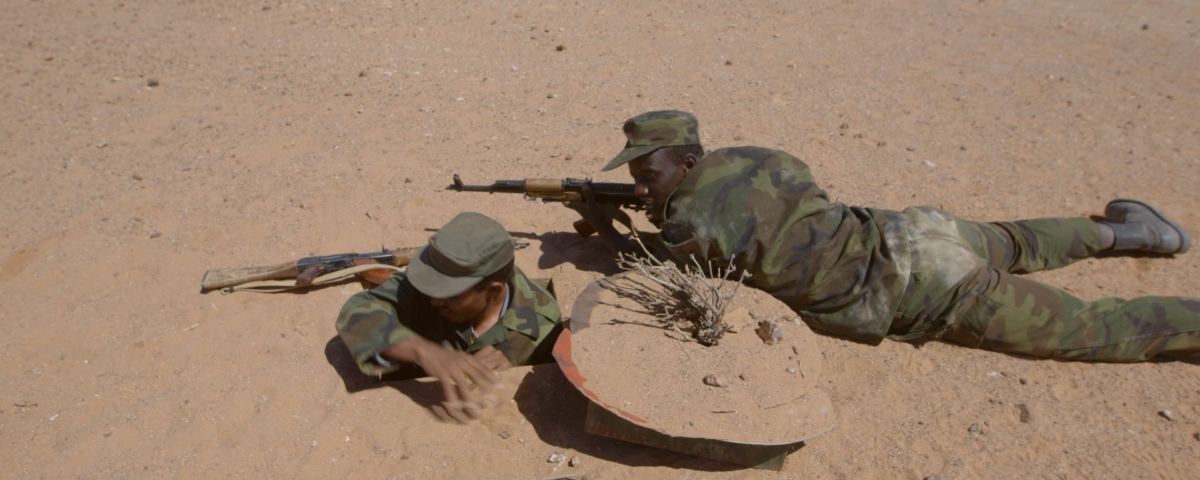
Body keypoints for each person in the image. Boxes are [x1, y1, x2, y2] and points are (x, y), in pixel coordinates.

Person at [568, 110, 1199, 362]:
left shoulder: (688, 227)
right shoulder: (753, 155)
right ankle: (1134, 232)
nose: (641, 190)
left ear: (684, 163)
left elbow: (654, 272)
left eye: (647, 178)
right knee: (1017, 241)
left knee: (1087, 330)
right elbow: (774, 200)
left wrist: (606, 226)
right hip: (917, 232)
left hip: (930, 288)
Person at [335, 212, 563, 420]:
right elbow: (356, 312)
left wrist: (512, 358)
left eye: (450, 295)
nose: (434, 301)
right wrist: (420, 350)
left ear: (493, 291)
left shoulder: (541, 324)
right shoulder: (424, 286)